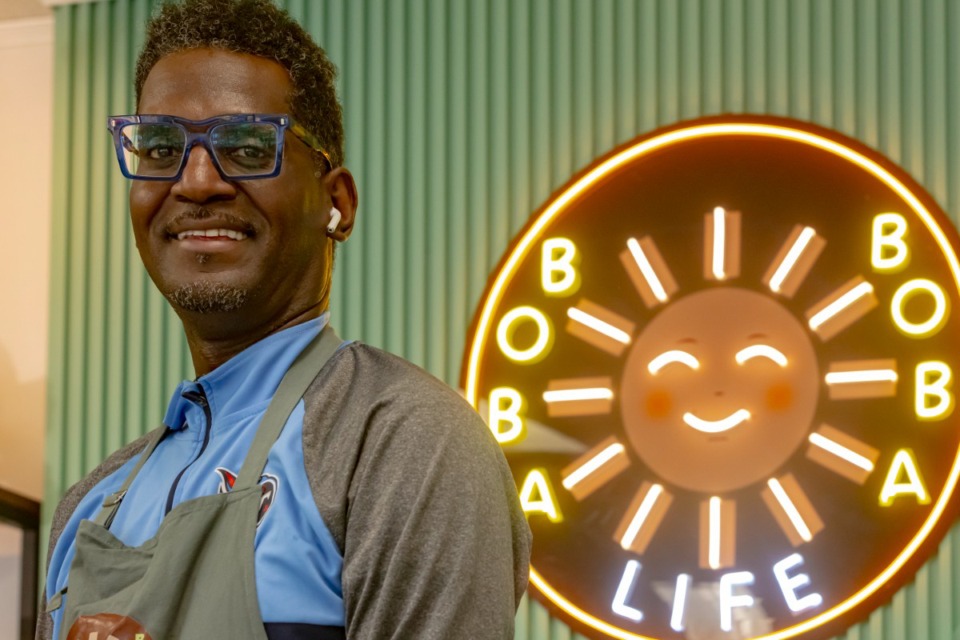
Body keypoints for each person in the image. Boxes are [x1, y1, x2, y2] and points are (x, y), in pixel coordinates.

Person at [38, 0, 531, 638]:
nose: (195, 182)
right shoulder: (93, 504)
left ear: (337, 203)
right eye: (160, 146)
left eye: (246, 147)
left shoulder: (402, 443)